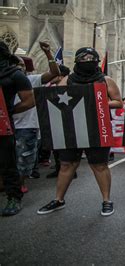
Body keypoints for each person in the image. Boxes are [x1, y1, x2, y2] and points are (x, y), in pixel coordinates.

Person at [36, 47, 123, 216]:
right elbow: (56, 99)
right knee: (67, 164)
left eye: (91, 59)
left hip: (98, 129)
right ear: (77, 62)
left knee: (99, 165)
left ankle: (106, 200)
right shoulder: (67, 80)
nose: (87, 62)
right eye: (83, 60)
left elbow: (118, 102)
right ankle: (59, 199)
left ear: (96, 62)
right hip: (72, 129)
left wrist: (96, 101)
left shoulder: (106, 80)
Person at [12, 42, 60, 193]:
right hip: (8, 125)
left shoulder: (32, 80)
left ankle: (19, 185)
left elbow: (54, 73)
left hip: (27, 126)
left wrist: (48, 54)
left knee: (23, 160)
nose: (19, 67)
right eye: (16, 64)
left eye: (22, 65)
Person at [0, 40, 35, 216]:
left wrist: (8, 111)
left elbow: (29, 100)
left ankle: (14, 197)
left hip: (3, 126)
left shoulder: (14, 75)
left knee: (7, 163)